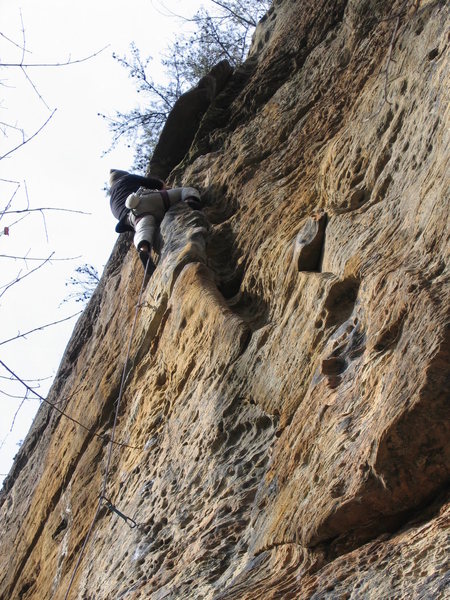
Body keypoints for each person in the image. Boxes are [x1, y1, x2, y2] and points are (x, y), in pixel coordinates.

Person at [109, 169, 202, 275]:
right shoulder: (127, 178)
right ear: (123, 175)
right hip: (145, 200)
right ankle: (191, 201)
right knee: (185, 190)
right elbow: (153, 183)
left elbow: (123, 221)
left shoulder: (111, 203)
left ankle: (144, 249)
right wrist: (163, 187)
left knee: (143, 229)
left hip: (134, 216)